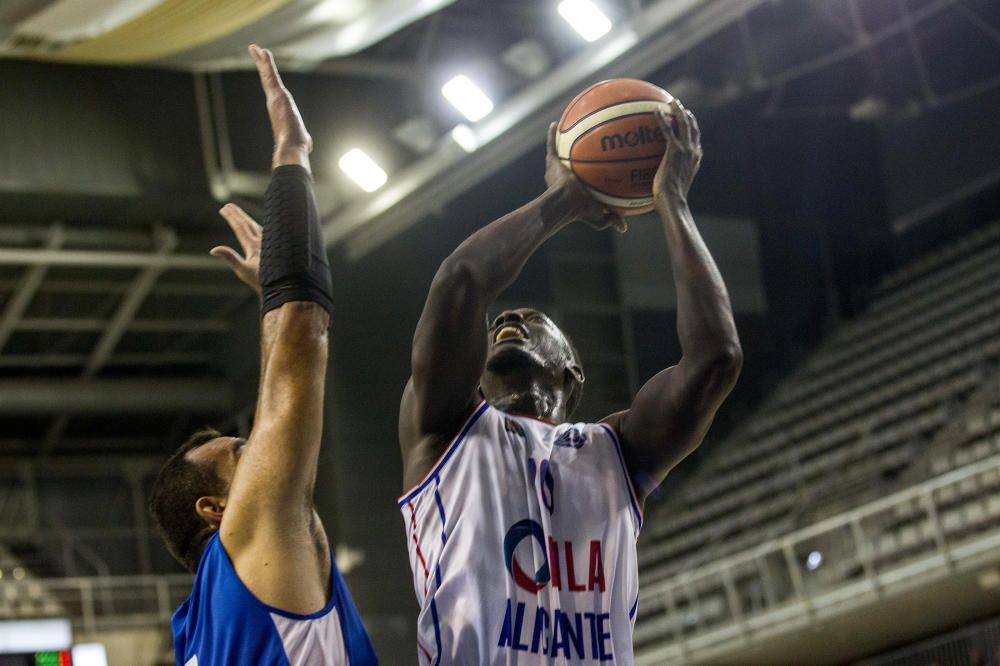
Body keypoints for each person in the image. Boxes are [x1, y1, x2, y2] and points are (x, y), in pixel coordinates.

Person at [398, 100, 742, 664]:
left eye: (533, 320)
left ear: (571, 371)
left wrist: (672, 202)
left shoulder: (619, 454)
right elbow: (461, 282)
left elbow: (717, 358)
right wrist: (565, 199)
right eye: (499, 323)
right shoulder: (439, 428)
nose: (509, 319)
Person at [149, 45, 377, 666]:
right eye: (244, 454)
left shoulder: (197, 625)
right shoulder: (247, 546)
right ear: (215, 509)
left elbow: (286, 357)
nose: (266, 446)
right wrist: (292, 152)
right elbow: (304, 321)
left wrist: (270, 309)